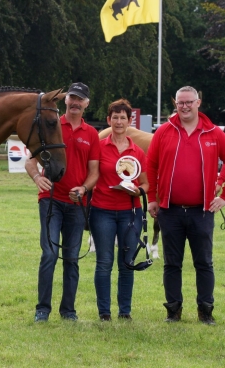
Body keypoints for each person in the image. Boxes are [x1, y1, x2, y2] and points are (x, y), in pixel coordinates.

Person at [147, 86, 225, 325]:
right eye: (180, 102)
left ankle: (205, 311)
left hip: (202, 211)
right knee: (172, 263)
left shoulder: (213, 133)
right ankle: (173, 311)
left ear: (198, 102)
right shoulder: (164, 131)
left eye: (189, 102)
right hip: (170, 211)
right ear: (176, 104)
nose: (184, 106)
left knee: (204, 263)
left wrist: (223, 195)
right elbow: (151, 165)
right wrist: (152, 197)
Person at [25, 82, 100, 322]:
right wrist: (38, 177)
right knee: (48, 254)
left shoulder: (91, 134)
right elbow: (29, 161)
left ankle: (68, 311)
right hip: (51, 200)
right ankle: (42, 309)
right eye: (72, 98)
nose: (76, 102)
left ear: (87, 104)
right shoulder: (51, 124)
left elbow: (95, 171)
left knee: (71, 257)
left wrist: (84, 188)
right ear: (65, 101)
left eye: (81, 99)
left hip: (77, 204)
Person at [89, 99, 149, 321]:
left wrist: (138, 191)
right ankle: (104, 312)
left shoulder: (137, 152)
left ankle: (125, 311)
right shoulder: (99, 147)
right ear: (108, 120)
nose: (118, 121)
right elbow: (92, 174)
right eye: (114, 117)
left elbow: (146, 184)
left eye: (123, 117)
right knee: (104, 262)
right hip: (102, 210)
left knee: (127, 263)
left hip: (130, 212)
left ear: (129, 121)